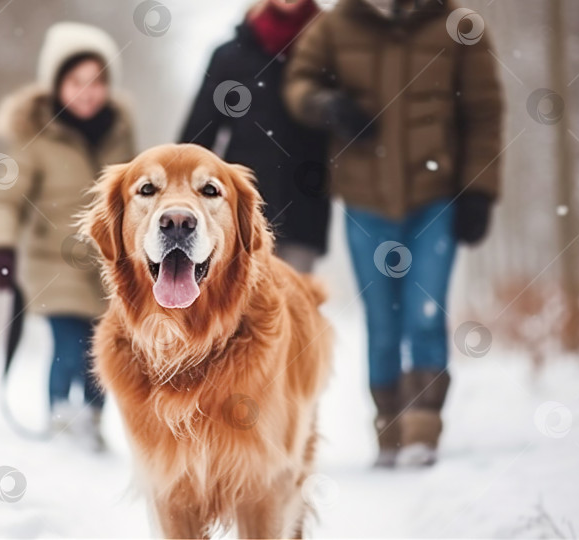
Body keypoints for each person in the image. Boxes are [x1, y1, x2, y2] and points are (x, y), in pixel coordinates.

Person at [284, 0, 503, 466]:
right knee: (381, 319)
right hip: (365, 199)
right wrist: (327, 105)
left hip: (436, 196)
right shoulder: (336, 24)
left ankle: (423, 429)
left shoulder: (459, 26)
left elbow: (484, 113)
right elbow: (299, 83)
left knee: (425, 312)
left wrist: (479, 190)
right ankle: (389, 429)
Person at [0, 22, 136, 450]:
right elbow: (6, 201)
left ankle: (92, 416)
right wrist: (0, 247)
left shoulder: (121, 137)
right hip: (55, 262)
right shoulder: (36, 140)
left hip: (109, 267)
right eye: (76, 81)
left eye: (97, 81)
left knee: (105, 348)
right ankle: (60, 415)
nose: (87, 91)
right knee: (70, 342)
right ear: (57, 84)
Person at [179, 0, 330, 273]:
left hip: (305, 211)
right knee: (240, 307)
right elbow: (198, 136)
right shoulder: (230, 56)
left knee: (292, 309)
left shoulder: (330, 51)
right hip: (241, 212)